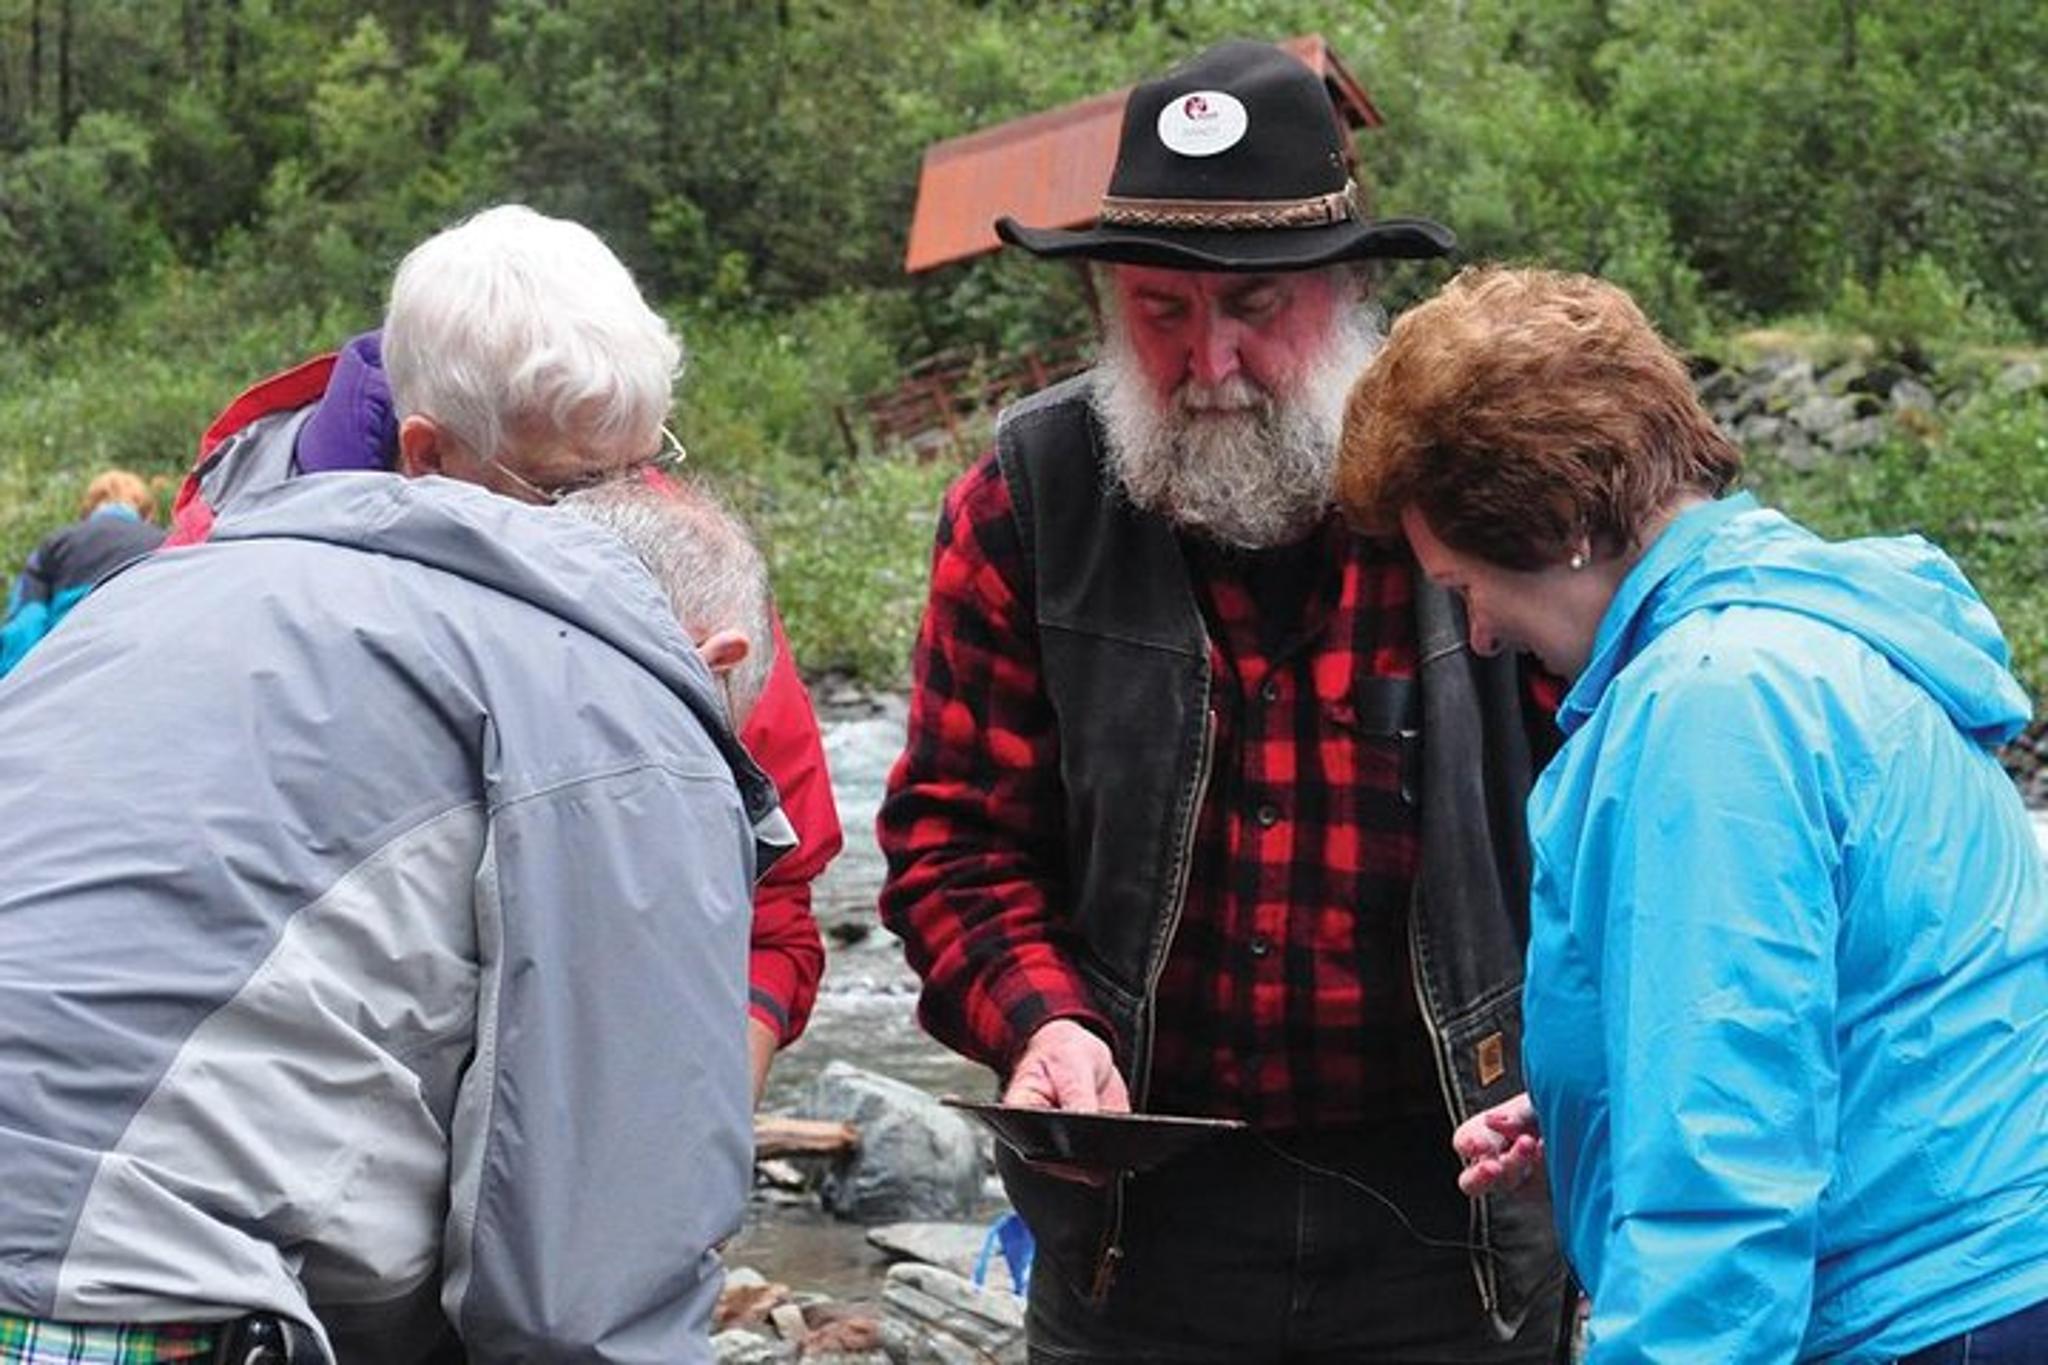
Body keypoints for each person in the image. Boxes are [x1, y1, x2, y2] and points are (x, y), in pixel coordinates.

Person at [879, 40, 1563, 1363]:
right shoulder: (1029, 503)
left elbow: (1617, 819)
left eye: (1256, 304)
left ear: (1350, 286)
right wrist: (1043, 1019)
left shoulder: (1475, 489)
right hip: (1135, 1219)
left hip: (1460, 1207)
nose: (1211, 360)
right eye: (1161, 311)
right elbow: (954, 838)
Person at [1339, 265, 2048, 1361]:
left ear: (1555, 525)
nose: (1474, 633)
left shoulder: (1709, 708)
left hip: (1906, 1319)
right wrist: (1599, 1100)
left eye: (1462, 581)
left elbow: (1722, 1191)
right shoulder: (1820, 631)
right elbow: (1849, 1008)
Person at [0, 472, 790, 1363]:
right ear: (713, 656)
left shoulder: (175, 586)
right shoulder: (624, 703)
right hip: (107, 1291)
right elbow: (581, 1298)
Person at [165, 205, 839, 1102]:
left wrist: (698, 1141)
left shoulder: (667, 548)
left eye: (641, 464)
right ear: (427, 453)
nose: (624, 519)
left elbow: (771, 910)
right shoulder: (219, 589)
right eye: (572, 489)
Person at [0, 469, 166, 676]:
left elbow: (26, 624)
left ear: (89, 509)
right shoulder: (167, 545)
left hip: (66, 671)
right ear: (147, 513)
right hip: (144, 672)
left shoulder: (57, 543)